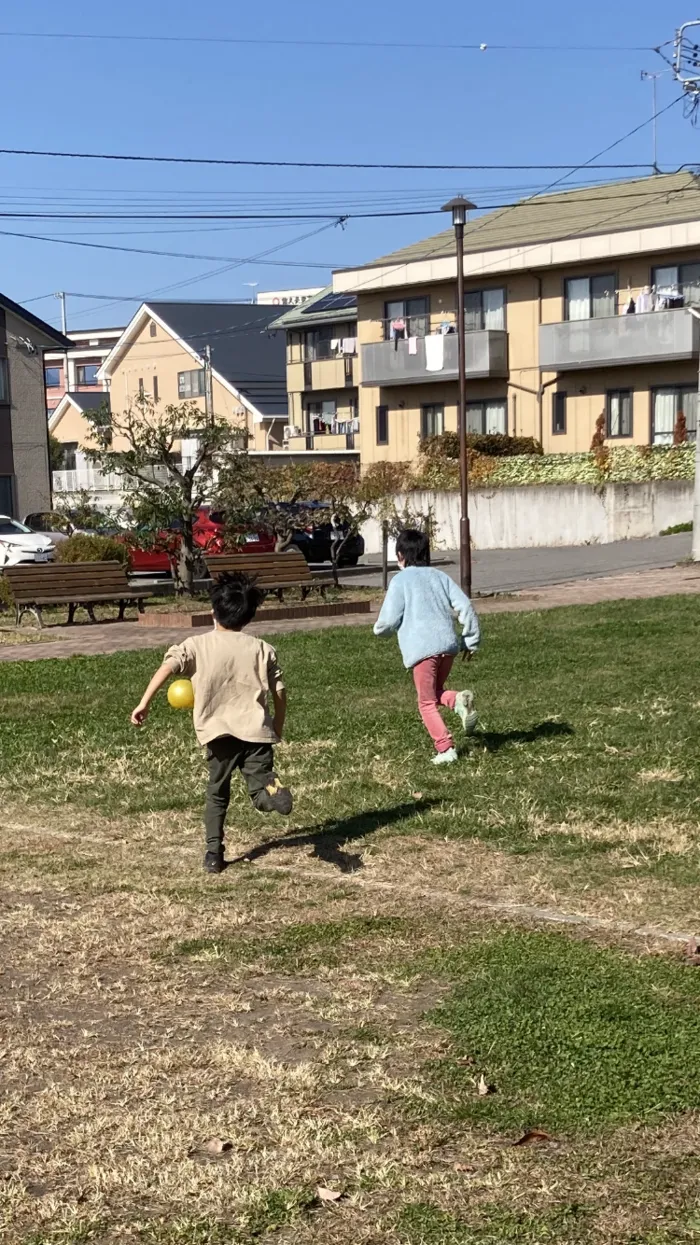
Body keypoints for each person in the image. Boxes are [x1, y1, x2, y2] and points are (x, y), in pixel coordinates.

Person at [130, 571, 292, 873]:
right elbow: (280, 693)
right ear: (249, 616)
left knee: (217, 792)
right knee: (258, 789)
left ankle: (214, 855)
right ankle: (271, 796)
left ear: (212, 612)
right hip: (257, 731)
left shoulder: (196, 645)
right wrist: (277, 727)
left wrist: (144, 702)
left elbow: (168, 666)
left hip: (219, 735)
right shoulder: (262, 649)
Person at [373, 529, 480, 765]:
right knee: (436, 691)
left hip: (423, 650)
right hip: (448, 646)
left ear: (400, 555)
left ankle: (445, 748)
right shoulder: (440, 577)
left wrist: (380, 629)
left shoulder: (400, 580)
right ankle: (457, 700)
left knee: (426, 702)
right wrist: (470, 640)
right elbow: (465, 606)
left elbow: (389, 619)